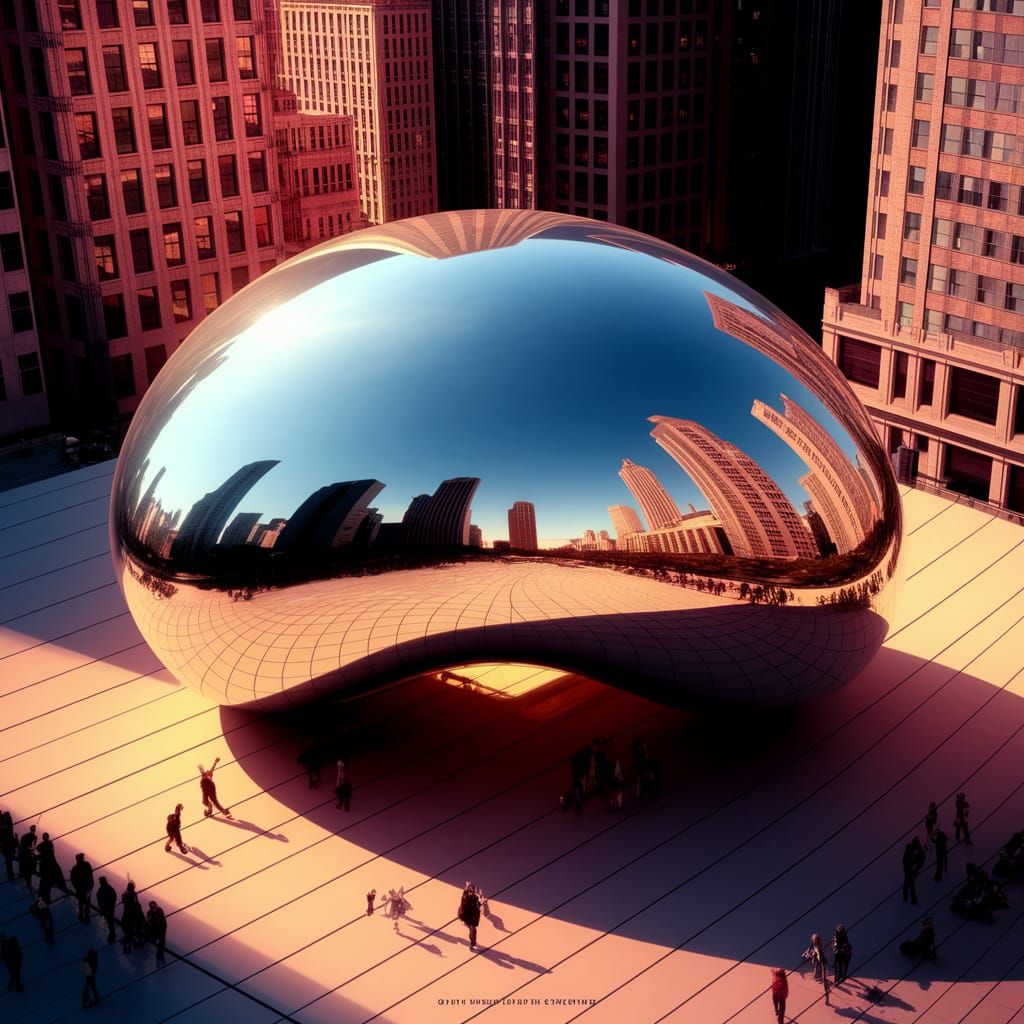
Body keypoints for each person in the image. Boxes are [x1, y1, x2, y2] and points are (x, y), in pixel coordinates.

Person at [35, 831, 67, 902]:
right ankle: (62, 888)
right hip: (48, 866)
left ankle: (44, 898)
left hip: (48, 866)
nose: (46, 838)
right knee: (47, 882)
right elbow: (37, 855)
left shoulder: (46, 845)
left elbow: (37, 855)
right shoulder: (46, 845)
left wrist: (39, 862)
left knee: (46, 882)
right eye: (45, 836)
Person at [802, 933, 831, 1007]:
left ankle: (827, 996)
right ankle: (818, 976)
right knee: (818, 969)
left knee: (823, 978)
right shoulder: (814, 946)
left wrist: (813, 956)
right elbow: (811, 950)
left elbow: (819, 956)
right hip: (819, 962)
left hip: (821, 963)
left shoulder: (818, 948)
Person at [121, 881, 145, 953]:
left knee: (128, 930)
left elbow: (133, 903)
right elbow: (135, 904)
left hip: (128, 915)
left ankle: (128, 944)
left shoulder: (128, 894)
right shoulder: (131, 895)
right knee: (129, 930)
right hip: (130, 915)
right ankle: (129, 943)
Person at [70, 853, 95, 922]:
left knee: (83, 902)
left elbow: (72, 878)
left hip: (84, 888)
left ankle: (83, 916)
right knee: (85, 903)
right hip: (85, 887)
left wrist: (77, 888)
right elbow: (73, 878)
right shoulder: (83, 865)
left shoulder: (76, 867)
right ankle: (84, 916)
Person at [458, 881, 483, 950]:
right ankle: (472, 943)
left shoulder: (474, 897)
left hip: (472, 916)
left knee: (472, 929)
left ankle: (472, 943)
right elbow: (465, 902)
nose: (473, 891)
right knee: (472, 929)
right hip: (467, 916)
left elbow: (477, 905)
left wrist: (481, 903)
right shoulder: (466, 897)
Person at [902, 837, 924, 904]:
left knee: (909, 884)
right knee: (909, 884)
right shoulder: (911, 849)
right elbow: (905, 860)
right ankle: (911, 900)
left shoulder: (917, 849)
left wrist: (917, 867)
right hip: (909, 869)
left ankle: (909, 899)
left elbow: (921, 859)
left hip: (911, 869)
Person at [96, 876, 117, 943]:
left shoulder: (104, 889)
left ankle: (112, 934)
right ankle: (112, 933)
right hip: (108, 909)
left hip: (108, 909)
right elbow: (114, 897)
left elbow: (99, 898)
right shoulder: (108, 889)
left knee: (110, 921)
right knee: (110, 921)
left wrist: (103, 908)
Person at [147, 901, 168, 966]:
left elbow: (161, 919)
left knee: (162, 942)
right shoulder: (149, 913)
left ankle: (160, 955)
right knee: (159, 941)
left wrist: (156, 921)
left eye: (153, 905)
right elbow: (150, 921)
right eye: (151, 906)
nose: (153, 907)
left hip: (161, 929)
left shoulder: (159, 910)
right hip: (155, 929)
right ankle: (160, 955)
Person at [17, 825, 37, 893]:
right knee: (27, 871)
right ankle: (28, 885)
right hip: (25, 855)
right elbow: (31, 847)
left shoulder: (25, 836)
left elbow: (31, 847)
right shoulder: (32, 837)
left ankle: (23, 877)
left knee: (24, 869)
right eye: (34, 829)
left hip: (23, 855)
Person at [0, 811, 16, 882]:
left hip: (6, 844)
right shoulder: (7, 821)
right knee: (9, 861)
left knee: (9, 861)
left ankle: (10, 876)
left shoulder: (6, 822)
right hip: (6, 844)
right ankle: (10, 876)